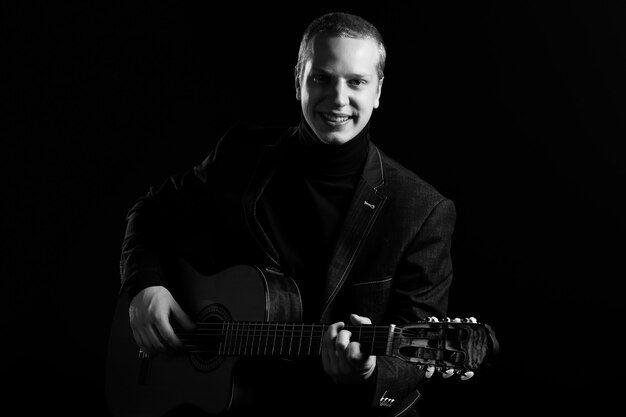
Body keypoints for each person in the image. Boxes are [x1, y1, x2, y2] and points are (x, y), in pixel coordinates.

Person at [117, 11, 460, 417]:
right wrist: (144, 286)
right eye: (322, 77)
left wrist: (368, 371)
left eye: (357, 82)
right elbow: (151, 215)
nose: (337, 98)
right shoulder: (241, 154)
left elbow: (412, 359)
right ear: (299, 77)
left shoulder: (420, 209)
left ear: (379, 90)